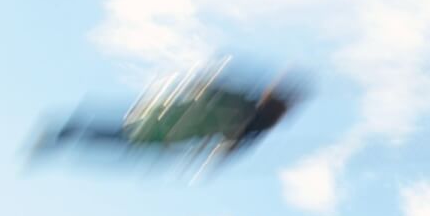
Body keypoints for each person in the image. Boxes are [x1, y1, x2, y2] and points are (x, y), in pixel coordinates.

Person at [33, 65, 301, 162]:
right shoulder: (249, 117)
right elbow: (227, 150)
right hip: (170, 126)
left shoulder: (247, 109)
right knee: (119, 135)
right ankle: (68, 131)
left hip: (170, 121)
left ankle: (69, 130)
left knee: (119, 132)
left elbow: (206, 85)